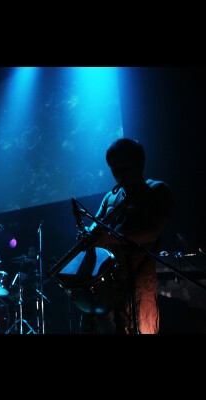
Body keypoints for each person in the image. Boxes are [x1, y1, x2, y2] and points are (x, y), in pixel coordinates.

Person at [77, 138, 175, 334]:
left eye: (124, 167)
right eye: (114, 169)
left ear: (139, 164)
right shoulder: (110, 197)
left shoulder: (157, 190)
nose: (119, 174)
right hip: (108, 284)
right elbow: (96, 225)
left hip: (139, 281)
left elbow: (152, 233)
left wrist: (112, 238)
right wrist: (88, 232)